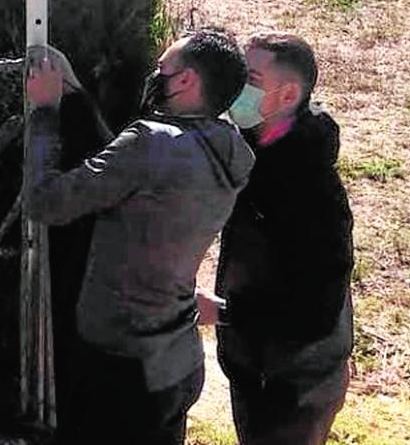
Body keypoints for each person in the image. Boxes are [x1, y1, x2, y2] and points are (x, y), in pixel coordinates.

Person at [24, 29, 255, 445]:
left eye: (163, 67)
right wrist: (76, 94)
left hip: (121, 368)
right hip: (178, 359)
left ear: (185, 80)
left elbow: (45, 203)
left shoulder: (150, 144)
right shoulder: (232, 149)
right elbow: (130, 177)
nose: (156, 73)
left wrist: (44, 112)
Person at [198, 32, 354, 445]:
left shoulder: (311, 190)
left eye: (249, 78)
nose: (236, 88)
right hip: (257, 366)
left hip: (298, 381)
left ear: (287, 96)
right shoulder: (253, 153)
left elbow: (317, 303)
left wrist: (228, 313)